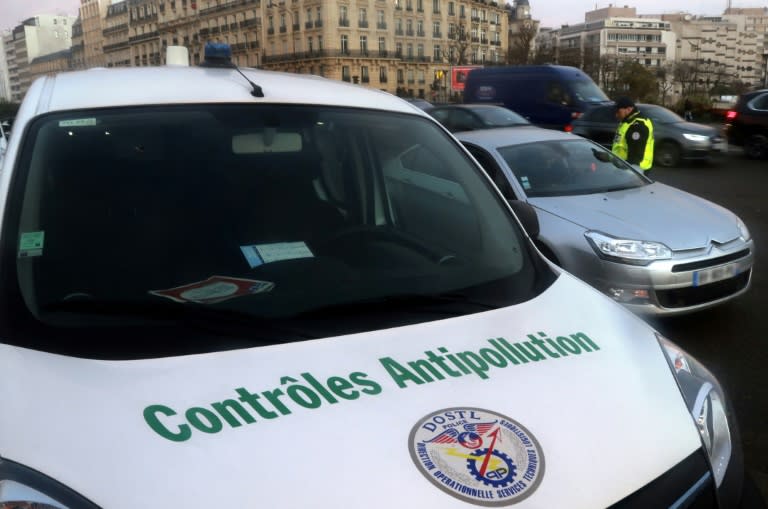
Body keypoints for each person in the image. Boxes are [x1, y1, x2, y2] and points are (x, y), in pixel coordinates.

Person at [612, 97, 654, 172]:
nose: (616, 115)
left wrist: (626, 169)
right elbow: (620, 145)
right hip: (623, 165)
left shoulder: (638, 125)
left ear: (628, 109)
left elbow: (636, 154)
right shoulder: (627, 121)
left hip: (636, 169)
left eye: (618, 112)